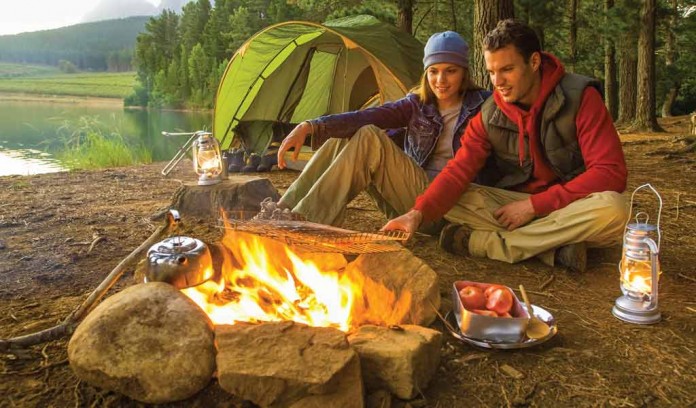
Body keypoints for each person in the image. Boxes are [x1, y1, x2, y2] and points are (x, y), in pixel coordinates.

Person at [382, 19, 629, 272]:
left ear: (533, 62)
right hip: (510, 207)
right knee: (453, 197)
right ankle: (553, 244)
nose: (497, 81)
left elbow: (610, 172)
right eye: (491, 72)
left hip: (569, 204)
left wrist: (534, 206)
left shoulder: (579, 97)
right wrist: (417, 214)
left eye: (507, 69)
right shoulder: (490, 113)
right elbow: (458, 170)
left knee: (615, 209)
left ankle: (487, 244)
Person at [275, 31, 491, 227]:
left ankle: (304, 224)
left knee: (368, 136)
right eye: (433, 71)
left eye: (450, 71)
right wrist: (311, 125)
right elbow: (370, 115)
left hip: (448, 209)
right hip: (408, 201)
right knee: (346, 135)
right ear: (426, 74)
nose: (440, 80)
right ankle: (281, 212)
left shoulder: (484, 106)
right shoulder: (417, 104)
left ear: (464, 72)